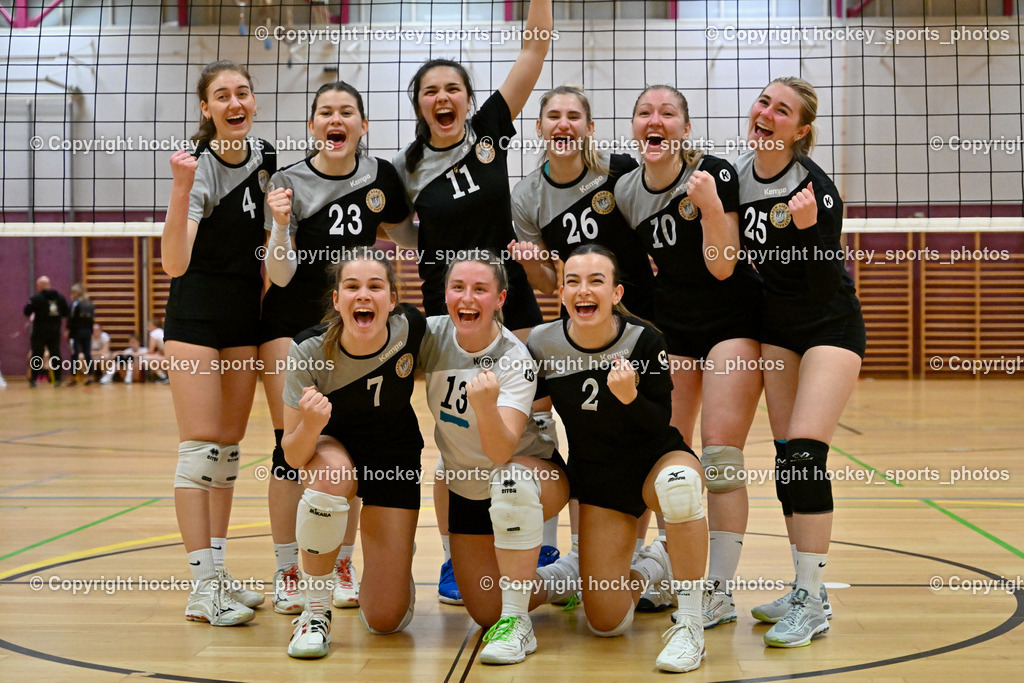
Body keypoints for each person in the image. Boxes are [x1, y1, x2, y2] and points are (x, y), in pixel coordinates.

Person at [393, 0, 554, 603]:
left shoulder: (490, 130)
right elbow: (400, 231)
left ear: (467, 98)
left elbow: (534, 50)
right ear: (420, 106)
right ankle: (453, 558)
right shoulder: (404, 169)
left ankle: (539, 545)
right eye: (431, 90)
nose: (443, 96)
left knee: (533, 429)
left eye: (453, 88)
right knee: (457, 438)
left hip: (509, 297)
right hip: (447, 311)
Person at [260, 81, 414, 616]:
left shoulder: (380, 177)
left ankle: (340, 560)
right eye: (325, 111)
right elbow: (278, 275)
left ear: (363, 125)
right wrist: (281, 224)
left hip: (355, 327)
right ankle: (287, 570)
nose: (336, 119)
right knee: (290, 448)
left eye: (347, 111)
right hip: (294, 323)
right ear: (313, 126)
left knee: (342, 449)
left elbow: (408, 234)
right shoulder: (286, 182)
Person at [615, 85, 763, 623]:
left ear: (685, 129)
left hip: (732, 325)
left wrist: (709, 207)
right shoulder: (626, 191)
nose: (655, 121)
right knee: (665, 454)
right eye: (644, 113)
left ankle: (718, 592)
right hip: (672, 331)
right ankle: (677, 575)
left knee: (720, 456)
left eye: (668, 113)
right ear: (633, 128)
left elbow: (724, 264)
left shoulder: (713, 174)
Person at [527, 244, 710, 673]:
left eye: (596, 281)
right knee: (607, 622)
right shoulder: (543, 342)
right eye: (572, 281)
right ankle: (652, 564)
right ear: (562, 291)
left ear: (615, 293)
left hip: (653, 459)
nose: (582, 290)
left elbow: (659, 422)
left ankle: (691, 625)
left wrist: (628, 398)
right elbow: (536, 418)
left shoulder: (644, 339)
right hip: (599, 478)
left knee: (680, 487)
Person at [507, 84, 657, 586]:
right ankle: (581, 553)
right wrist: (533, 268)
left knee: (644, 436)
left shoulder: (617, 173)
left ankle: (638, 554)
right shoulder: (527, 196)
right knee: (590, 440)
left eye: (574, 116)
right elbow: (553, 285)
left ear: (589, 129)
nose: (563, 124)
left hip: (644, 324)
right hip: (587, 332)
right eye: (553, 116)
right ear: (540, 128)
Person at [736, 76, 865, 647]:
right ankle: (801, 588)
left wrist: (810, 229)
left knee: (808, 453)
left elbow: (820, 285)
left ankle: (813, 600)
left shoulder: (815, 189)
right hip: (776, 330)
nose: (766, 113)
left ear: (800, 130)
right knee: (789, 459)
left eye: (781, 110)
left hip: (829, 325)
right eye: (763, 102)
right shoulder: (735, 177)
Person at [418, 251, 574, 665]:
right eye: (458, 288)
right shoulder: (430, 336)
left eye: (480, 289)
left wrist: (485, 406)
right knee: (485, 609)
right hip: (468, 486)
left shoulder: (514, 358)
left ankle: (518, 622)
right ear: (445, 294)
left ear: (500, 298)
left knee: (509, 479)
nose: (467, 298)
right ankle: (566, 577)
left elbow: (502, 450)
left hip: (531, 474)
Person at [161, 59, 274, 626]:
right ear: (206, 109)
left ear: (254, 103)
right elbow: (174, 262)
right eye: (222, 95)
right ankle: (201, 586)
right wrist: (181, 188)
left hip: (243, 322)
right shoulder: (199, 167)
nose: (235, 103)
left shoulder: (269, 162)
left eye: (243, 93)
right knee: (200, 447)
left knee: (228, 451)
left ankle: (220, 571)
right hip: (196, 321)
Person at [281, 249, 424, 658]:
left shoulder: (410, 328)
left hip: (394, 455)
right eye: (352, 287)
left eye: (375, 286)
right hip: (334, 449)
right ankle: (315, 612)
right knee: (330, 478)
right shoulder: (308, 350)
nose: (364, 295)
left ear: (392, 299)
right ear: (337, 299)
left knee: (385, 620)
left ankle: (396, 559)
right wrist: (310, 425)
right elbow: (292, 456)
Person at [23, 275, 69, 387]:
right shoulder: (60, 298)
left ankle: (33, 380)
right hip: (54, 331)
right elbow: (66, 312)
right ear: (48, 285)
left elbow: (26, 311)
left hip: (39, 331)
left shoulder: (36, 299)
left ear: (39, 286)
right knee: (55, 354)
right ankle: (57, 379)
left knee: (37, 355)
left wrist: (35, 314)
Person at [67, 283, 96, 385]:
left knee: (74, 354)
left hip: (75, 332)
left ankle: (73, 377)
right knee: (87, 354)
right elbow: (92, 319)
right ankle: (90, 376)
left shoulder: (75, 303)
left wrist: (67, 330)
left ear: (76, 293)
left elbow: (70, 317)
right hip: (87, 332)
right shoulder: (89, 303)